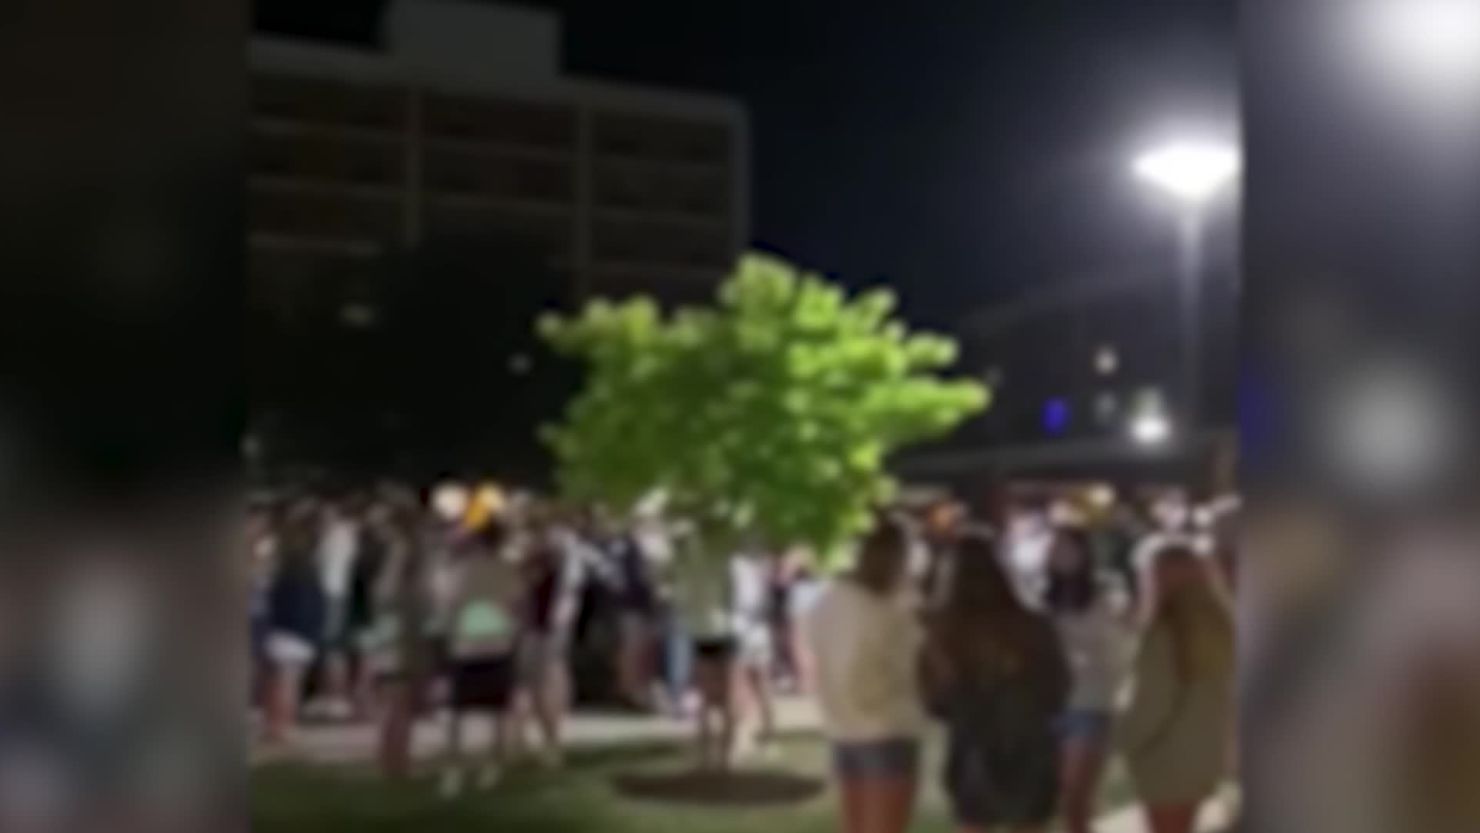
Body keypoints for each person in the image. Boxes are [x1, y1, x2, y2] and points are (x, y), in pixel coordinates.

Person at [921, 533, 1070, 833]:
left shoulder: (944, 632)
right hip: (1030, 740)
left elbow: (935, 700)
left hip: (971, 742)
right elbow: (1059, 686)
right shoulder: (1032, 625)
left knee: (974, 821)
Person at [805, 518, 925, 833]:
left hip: (843, 729)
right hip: (887, 729)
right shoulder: (884, 613)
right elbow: (912, 664)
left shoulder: (829, 603)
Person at [1117, 545, 1235, 833]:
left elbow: (1149, 705)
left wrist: (1121, 740)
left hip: (1166, 758)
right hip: (1205, 753)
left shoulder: (1165, 634)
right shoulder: (1224, 626)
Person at [1044, 528, 1139, 833]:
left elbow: (1118, 649)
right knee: (1057, 798)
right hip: (1049, 704)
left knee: (1076, 797)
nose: (1060, 554)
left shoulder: (1107, 593)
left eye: (1068, 547)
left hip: (1090, 703)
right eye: (1055, 547)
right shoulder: (1041, 595)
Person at [440, 520, 523, 798]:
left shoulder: (461, 570)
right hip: (497, 644)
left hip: (466, 645)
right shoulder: (507, 570)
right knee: (498, 710)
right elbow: (517, 607)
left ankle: (454, 769)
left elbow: (448, 606)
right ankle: (492, 766)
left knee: (457, 712)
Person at [514, 516, 586, 769]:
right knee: (529, 683)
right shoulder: (533, 550)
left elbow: (568, 590)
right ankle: (528, 740)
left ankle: (551, 742)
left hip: (549, 626)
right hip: (533, 625)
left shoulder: (562, 548)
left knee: (547, 682)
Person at [261, 502, 327, 745]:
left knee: (279, 682)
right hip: (301, 630)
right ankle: (283, 725)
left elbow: (273, 598)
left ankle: (276, 725)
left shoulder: (285, 572)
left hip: (284, 627)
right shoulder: (311, 573)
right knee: (289, 682)